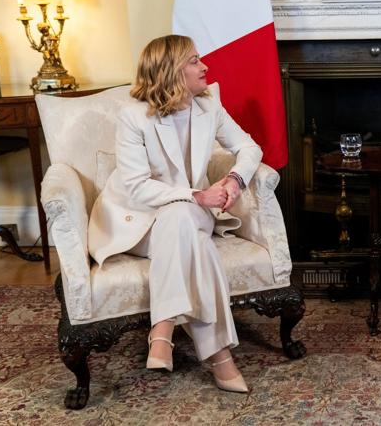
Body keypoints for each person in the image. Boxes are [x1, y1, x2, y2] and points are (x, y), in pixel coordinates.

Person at [87, 34, 263, 393]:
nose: (205, 66)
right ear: (171, 70)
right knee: (191, 236)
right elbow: (136, 186)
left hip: (192, 211)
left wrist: (232, 180)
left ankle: (162, 329)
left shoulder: (208, 106)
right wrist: (196, 195)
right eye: (195, 60)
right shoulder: (133, 116)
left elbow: (248, 146)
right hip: (139, 219)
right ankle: (219, 357)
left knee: (182, 218)